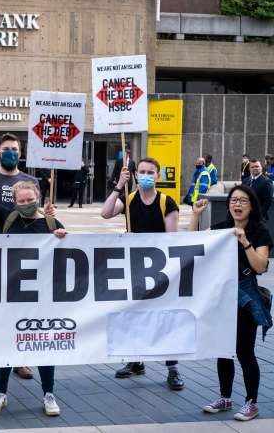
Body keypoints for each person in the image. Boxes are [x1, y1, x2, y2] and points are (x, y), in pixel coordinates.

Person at [0, 150, 66, 416]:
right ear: (14, 202)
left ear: (38, 198)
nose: (26, 203)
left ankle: (49, 393)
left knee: (43, 344)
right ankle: (0, 393)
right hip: (10, 293)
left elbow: (64, 256)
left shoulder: (50, 222)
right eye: (21, 200)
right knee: (6, 342)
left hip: (41, 297)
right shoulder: (9, 218)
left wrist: (61, 236)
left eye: (30, 199)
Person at [100, 157, 185, 391]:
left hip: (160, 271)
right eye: (142, 171)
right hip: (135, 269)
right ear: (135, 174)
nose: (145, 175)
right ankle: (136, 361)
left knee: (165, 318)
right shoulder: (128, 199)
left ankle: (173, 368)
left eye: (150, 171)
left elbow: (172, 240)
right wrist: (118, 185)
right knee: (134, 314)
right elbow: (105, 213)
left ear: (158, 176)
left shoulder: (167, 203)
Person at [191, 185, 272, 421]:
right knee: (223, 350)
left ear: (252, 206)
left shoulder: (259, 232)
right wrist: (195, 215)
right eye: (234, 200)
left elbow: (260, 266)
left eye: (243, 201)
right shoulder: (221, 230)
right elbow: (192, 245)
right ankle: (225, 397)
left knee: (245, 351)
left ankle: (251, 402)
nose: (237, 204)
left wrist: (245, 241)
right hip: (221, 296)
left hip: (245, 297)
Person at [0, 133, 38, 379]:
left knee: (19, 310)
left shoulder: (30, 181)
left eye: (14, 149)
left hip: (22, 254)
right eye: (6, 149)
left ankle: (18, 359)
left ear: (20, 153)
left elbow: (36, 214)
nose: (10, 152)